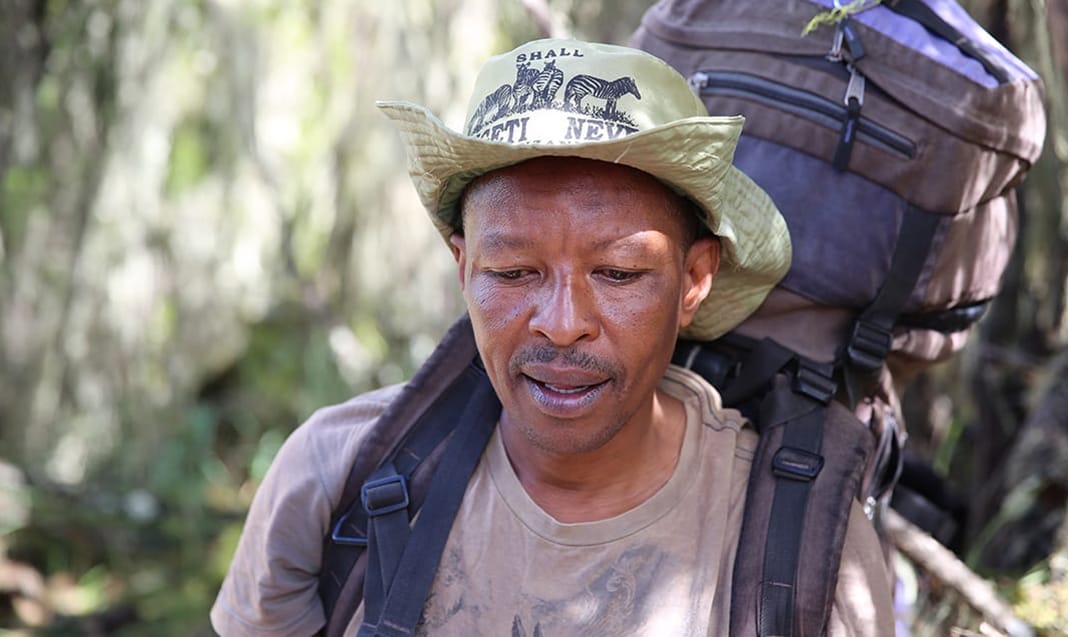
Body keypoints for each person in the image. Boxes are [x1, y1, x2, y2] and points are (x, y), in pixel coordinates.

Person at [211, 38, 895, 636]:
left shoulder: (798, 545)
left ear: (693, 280)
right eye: (513, 271)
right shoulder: (331, 476)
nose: (563, 322)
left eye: (620, 272)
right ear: (464, 268)